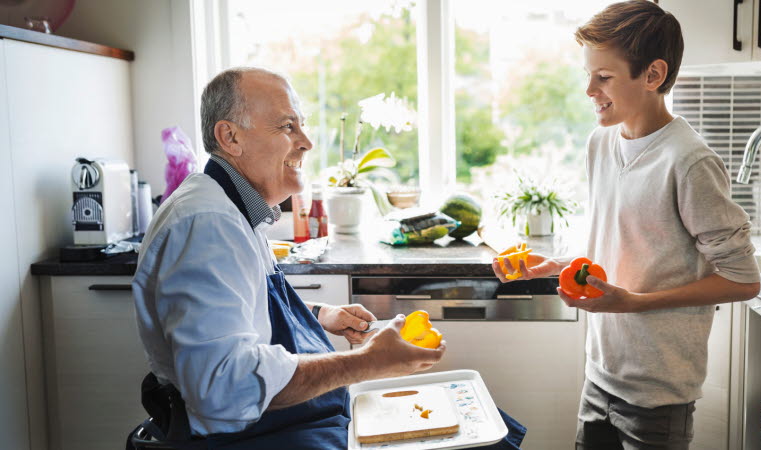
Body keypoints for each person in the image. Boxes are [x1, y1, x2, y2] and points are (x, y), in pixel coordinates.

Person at [133, 67, 524, 448]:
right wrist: (368, 362)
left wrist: (320, 314)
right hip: (254, 437)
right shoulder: (208, 225)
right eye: (288, 127)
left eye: (302, 125)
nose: (306, 142)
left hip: (291, 421)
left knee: (483, 421)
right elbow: (224, 388)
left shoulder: (231, 209)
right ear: (230, 137)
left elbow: (240, 306)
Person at [493, 2, 761, 449]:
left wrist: (634, 303)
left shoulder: (689, 161)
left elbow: (743, 280)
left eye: (604, 77)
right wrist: (552, 266)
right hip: (600, 372)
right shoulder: (600, 143)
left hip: (659, 390)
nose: (588, 90)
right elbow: (621, 247)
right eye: (588, 74)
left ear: (653, 75)